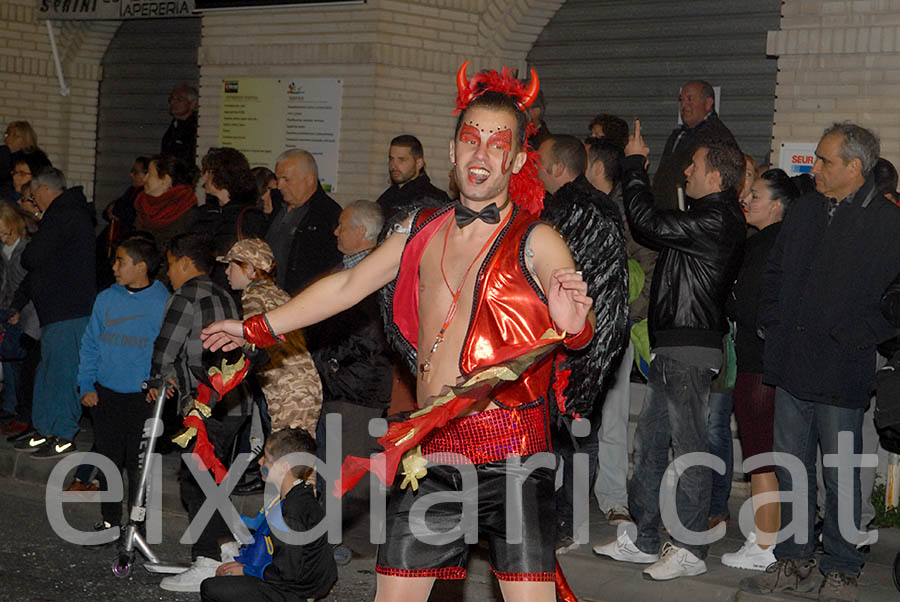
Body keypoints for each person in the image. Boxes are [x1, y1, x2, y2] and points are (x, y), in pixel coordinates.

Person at [202, 64, 594, 602]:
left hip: (512, 455)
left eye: (497, 145)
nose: (481, 155)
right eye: (470, 140)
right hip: (430, 453)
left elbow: (572, 316)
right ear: (453, 153)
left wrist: (574, 330)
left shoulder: (539, 239)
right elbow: (347, 286)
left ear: (518, 160)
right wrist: (256, 326)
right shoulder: (418, 229)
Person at [740, 123, 900, 602]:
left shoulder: (888, 224)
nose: (815, 168)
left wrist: (863, 334)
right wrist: (772, 319)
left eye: (825, 160)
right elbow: (775, 268)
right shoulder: (806, 209)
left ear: (855, 167)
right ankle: (792, 560)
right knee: (791, 466)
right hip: (791, 361)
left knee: (842, 473)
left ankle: (842, 569)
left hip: (842, 367)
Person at [593, 121, 745, 580]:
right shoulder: (707, 216)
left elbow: (646, 223)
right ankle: (642, 538)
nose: (685, 174)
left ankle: (690, 548)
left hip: (690, 347)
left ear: (716, 177)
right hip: (673, 343)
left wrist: (636, 166)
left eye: (694, 167)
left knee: (689, 447)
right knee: (652, 445)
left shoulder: (717, 218)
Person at [535, 133, 628, 551]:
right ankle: (558, 516)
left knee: (573, 432)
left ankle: (568, 522)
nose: (532, 168)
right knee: (567, 432)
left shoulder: (574, 211)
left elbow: (565, 279)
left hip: (582, 341)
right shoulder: (588, 206)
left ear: (556, 168)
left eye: (539, 161)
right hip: (587, 338)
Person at [153, 232, 241, 592]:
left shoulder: (186, 294)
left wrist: (156, 382)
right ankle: (229, 549)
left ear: (185, 262)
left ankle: (206, 560)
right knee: (212, 479)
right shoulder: (227, 296)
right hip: (235, 403)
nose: (169, 272)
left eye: (171, 264)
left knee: (194, 483)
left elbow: (165, 349)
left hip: (202, 406)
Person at [720, 169, 798, 571]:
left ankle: (765, 546)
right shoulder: (780, 244)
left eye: (756, 194)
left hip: (757, 364)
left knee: (759, 458)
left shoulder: (768, 247)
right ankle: (769, 539)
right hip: (769, 363)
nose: (746, 199)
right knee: (767, 455)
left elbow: (749, 306)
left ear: (778, 206)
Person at [308, 199, 393, 555]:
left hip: (358, 388)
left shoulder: (378, 274)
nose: (335, 231)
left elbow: (373, 337)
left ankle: (355, 544)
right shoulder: (345, 268)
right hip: (338, 385)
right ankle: (333, 537)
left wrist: (331, 364)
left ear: (362, 232)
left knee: (353, 466)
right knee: (333, 464)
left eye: (342, 225)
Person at [584, 137, 656, 527]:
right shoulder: (575, 205)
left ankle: (613, 498)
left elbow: (649, 266)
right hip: (575, 327)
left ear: (597, 168)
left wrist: (624, 314)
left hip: (613, 329)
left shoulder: (625, 211)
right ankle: (566, 500)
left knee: (611, 417)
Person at [77, 235, 169, 535]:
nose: (114, 266)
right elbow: (90, 344)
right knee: (108, 461)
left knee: (138, 465)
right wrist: (86, 384)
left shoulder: (162, 301)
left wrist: (161, 384)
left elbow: (167, 350)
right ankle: (110, 521)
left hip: (142, 398)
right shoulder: (106, 298)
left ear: (141, 267)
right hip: (106, 394)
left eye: (121, 261)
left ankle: (137, 526)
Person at [11, 167, 96, 459]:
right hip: (56, 311)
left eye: (34, 197)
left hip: (67, 310)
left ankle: (62, 433)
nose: (35, 203)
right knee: (47, 373)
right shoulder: (67, 215)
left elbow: (32, 257)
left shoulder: (64, 216)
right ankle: (45, 429)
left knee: (61, 373)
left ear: (45, 190)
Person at [199, 428, 337, 602]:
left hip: (296, 590)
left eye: (267, 458)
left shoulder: (289, 514)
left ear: (284, 467)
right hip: (307, 581)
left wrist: (247, 570)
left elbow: (287, 572)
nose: (260, 461)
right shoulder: (302, 494)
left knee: (211, 588)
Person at [220, 237, 322, 436]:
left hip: (288, 391)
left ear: (249, 269)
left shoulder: (254, 295)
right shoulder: (279, 293)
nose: (226, 272)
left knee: (285, 458)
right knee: (299, 453)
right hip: (307, 385)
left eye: (231, 266)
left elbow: (254, 338)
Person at [265, 149, 342, 296]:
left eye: (286, 179)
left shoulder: (327, 214)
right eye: (278, 179)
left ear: (309, 180)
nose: (279, 185)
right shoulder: (274, 207)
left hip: (301, 300)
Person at [193, 147, 268, 296]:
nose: (204, 178)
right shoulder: (206, 212)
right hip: (207, 292)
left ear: (222, 175)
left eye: (208, 172)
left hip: (232, 296)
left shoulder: (248, 217)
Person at [652, 80, 737, 211]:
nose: (684, 105)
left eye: (690, 99)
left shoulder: (716, 138)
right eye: (681, 100)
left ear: (708, 103)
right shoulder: (679, 134)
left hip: (688, 217)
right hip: (666, 214)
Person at [0, 203, 40, 440]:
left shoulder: (26, 249)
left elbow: (26, 285)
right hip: (7, 309)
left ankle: (24, 414)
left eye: (6, 233)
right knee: (10, 361)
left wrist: (18, 309)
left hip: (24, 313)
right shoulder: (5, 249)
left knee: (22, 365)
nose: (3, 238)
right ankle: (14, 408)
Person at [97, 156, 149, 290]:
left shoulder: (144, 195)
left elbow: (126, 213)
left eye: (135, 172)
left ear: (146, 175)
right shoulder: (131, 191)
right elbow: (109, 210)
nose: (131, 175)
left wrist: (117, 210)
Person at [375, 134, 450, 221]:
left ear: (418, 163)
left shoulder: (433, 199)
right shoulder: (387, 196)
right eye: (391, 159)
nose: (393, 166)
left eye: (401, 159)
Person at [134, 154, 199, 254]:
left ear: (165, 180)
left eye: (149, 174)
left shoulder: (187, 213)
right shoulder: (142, 206)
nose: (144, 179)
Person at [161, 84, 199, 164]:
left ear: (192, 104)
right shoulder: (175, 124)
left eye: (179, 99)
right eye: (172, 98)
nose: (172, 102)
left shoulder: (195, 128)